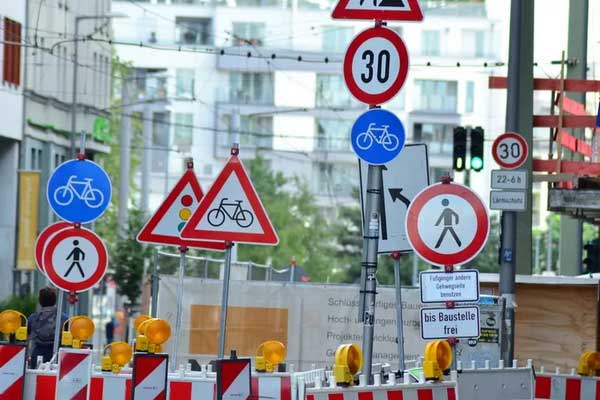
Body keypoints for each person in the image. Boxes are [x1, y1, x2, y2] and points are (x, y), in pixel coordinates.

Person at [28, 287, 61, 368]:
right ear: (54, 300)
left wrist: (28, 354)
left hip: (37, 354)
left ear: (40, 301)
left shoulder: (33, 318)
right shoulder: (62, 318)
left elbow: (25, 337)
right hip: (56, 355)